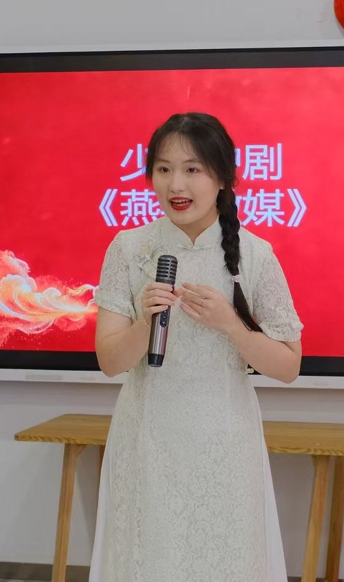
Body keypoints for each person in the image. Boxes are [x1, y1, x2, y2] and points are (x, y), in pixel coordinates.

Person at [89, 112, 303, 582]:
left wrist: (232, 326)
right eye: (163, 169)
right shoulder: (128, 248)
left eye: (192, 169)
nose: (176, 184)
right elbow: (109, 361)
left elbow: (289, 366)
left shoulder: (255, 254)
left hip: (225, 444)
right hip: (147, 440)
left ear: (222, 177)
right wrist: (145, 323)